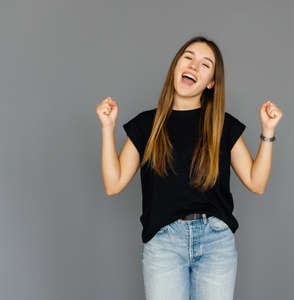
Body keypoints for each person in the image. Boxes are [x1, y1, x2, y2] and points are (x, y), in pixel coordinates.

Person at [96, 35, 283, 300]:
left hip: (215, 240)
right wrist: (107, 128)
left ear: (211, 83)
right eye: (188, 57)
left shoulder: (223, 125)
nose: (194, 66)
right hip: (164, 242)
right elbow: (113, 184)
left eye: (205, 65)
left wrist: (268, 132)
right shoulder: (146, 125)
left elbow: (256, 182)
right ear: (176, 66)